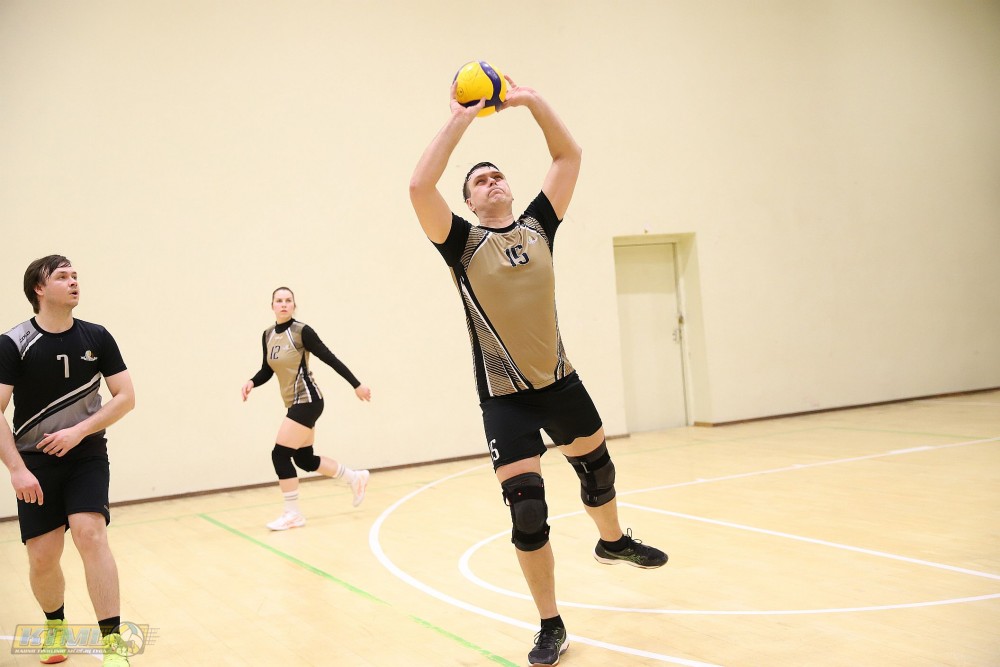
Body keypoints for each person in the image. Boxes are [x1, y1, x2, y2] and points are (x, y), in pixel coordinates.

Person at [409, 77, 668, 666]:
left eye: (497, 174)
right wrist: (461, 118)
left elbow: (568, 156)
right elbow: (419, 185)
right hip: (505, 398)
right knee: (527, 512)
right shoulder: (460, 243)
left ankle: (612, 542)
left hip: (561, 382)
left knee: (599, 475)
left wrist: (527, 100)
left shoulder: (538, 227)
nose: (492, 181)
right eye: (480, 180)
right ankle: (550, 624)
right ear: (469, 203)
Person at [0, 255, 136, 666]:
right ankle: (55, 626)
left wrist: (79, 431)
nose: (74, 281)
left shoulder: (97, 337)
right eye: (62, 276)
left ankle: (112, 642)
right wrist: (17, 469)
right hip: (34, 463)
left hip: (86, 455)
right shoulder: (14, 343)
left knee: (89, 533)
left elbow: (126, 397)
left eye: (75, 275)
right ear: (39, 289)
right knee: (43, 556)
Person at [241, 287, 372, 530]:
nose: (283, 304)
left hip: (308, 400)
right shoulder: (268, 335)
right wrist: (252, 382)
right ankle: (355, 478)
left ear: (294, 305)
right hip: (295, 402)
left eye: (288, 300)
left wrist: (357, 385)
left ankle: (293, 514)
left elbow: (330, 358)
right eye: (279, 301)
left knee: (280, 454)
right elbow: (267, 369)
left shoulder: (302, 331)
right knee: (304, 459)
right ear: (272, 306)